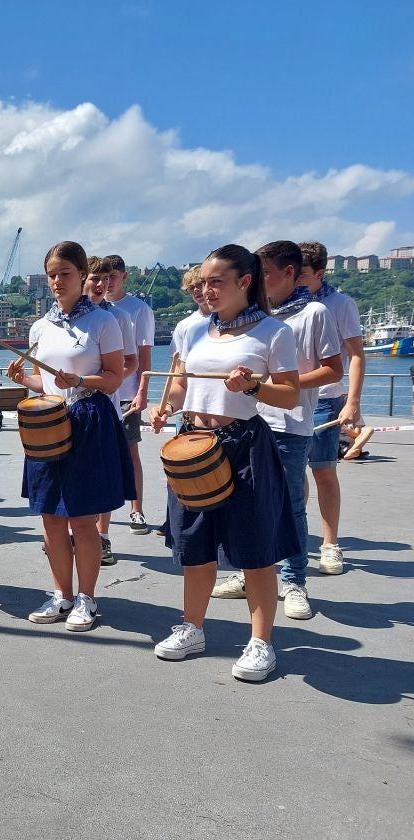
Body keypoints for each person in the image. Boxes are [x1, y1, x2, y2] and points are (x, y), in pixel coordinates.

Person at [150, 244, 300, 683]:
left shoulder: (274, 332)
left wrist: (254, 387)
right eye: (203, 282)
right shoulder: (191, 330)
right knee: (194, 545)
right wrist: (166, 409)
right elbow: (180, 385)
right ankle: (193, 627)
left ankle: (260, 642)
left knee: (255, 550)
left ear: (245, 282)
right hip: (193, 442)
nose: (206, 290)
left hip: (243, 444)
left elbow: (289, 395)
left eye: (216, 281)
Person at [210, 241, 342, 620]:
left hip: (288, 421)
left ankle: (294, 578)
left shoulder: (313, 313)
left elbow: (334, 369)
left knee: (287, 503)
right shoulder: (247, 318)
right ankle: (247, 571)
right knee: (240, 501)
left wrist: (279, 382)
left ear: (289, 273)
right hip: (244, 420)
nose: (258, 282)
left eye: (265, 273)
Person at [8, 246, 130, 628]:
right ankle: (61, 595)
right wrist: (22, 380)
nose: (57, 281)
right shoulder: (40, 326)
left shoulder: (102, 321)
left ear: (81, 274)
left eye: (64, 273)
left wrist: (80, 380)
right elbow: (45, 383)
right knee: (51, 519)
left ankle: (86, 598)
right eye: (52, 275)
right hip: (47, 421)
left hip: (89, 418)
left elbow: (115, 376)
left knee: (81, 519)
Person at [297, 241, 366, 576]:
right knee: (291, 474)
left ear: (320, 274)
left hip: (325, 397)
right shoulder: (284, 304)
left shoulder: (340, 304)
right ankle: (298, 536)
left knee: (323, 470)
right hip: (289, 397)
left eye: (303, 275)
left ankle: (330, 543)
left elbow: (355, 354)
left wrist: (352, 401)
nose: (296, 280)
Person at [85, 256, 137, 566]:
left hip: (105, 404)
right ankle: (76, 532)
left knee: (103, 474)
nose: (101, 285)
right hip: (72, 406)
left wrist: (111, 380)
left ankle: (102, 536)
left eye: (106, 279)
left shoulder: (118, 318)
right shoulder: (68, 317)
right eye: (95, 279)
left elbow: (130, 362)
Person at [105, 254, 155, 534]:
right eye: (102, 277)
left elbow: (144, 352)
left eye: (113, 276)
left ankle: (136, 509)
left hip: (126, 391)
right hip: (101, 392)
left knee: (130, 448)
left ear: (124, 277)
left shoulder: (138, 309)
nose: (107, 282)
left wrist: (142, 391)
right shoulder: (92, 307)